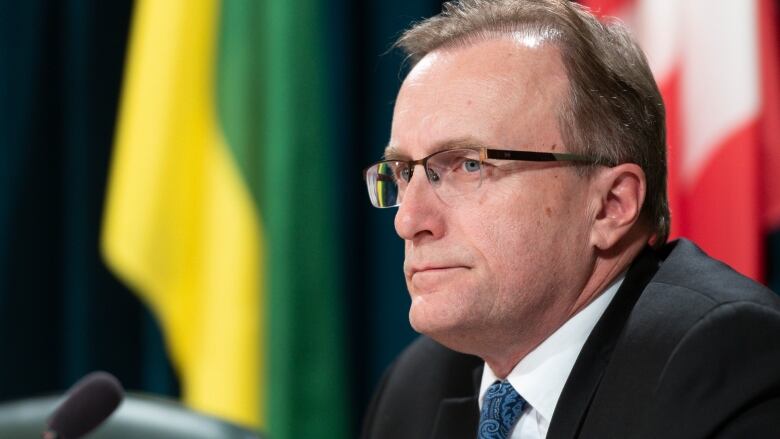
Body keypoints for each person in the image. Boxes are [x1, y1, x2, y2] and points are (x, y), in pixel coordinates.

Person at [359, 1, 780, 438]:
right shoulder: (413, 389)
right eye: (404, 173)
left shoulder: (723, 360)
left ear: (611, 205)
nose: (408, 220)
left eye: (468, 165)